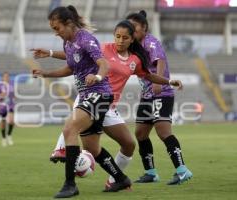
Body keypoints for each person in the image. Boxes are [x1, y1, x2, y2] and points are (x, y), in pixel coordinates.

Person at [31, 20, 183, 190]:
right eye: (117, 36)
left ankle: (114, 179)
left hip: (109, 107)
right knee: (76, 130)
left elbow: (149, 76)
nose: (120, 40)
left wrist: (169, 81)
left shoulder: (135, 60)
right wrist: (51, 53)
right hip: (92, 97)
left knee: (129, 144)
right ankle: (61, 150)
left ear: (132, 39)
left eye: (125, 37)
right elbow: (75, 54)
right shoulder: (103, 48)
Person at [32, 5, 132, 198]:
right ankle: (120, 179)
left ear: (68, 23)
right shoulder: (68, 43)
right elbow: (72, 68)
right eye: (53, 29)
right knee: (92, 148)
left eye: (57, 28)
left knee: (70, 128)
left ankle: (70, 184)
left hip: (99, 94)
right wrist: (47, 73)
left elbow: (104, 63)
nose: (56, 33)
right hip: (88, 96)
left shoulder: (86, 38)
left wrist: (98, 77)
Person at [126, 10, 192, 185]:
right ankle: (151, 173)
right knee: (140, 133)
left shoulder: (150, 41)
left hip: (161, 93)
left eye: (134, 27)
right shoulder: (133, 46)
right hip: (146, 96)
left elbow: (160, 60)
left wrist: (159, 82)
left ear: (144, 28)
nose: (131, 31)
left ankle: (182, 170)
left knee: (163, 132)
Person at [0, 72, 15, 147]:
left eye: (8, 76)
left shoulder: (11, 84)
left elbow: (14, 94)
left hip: (10, 105)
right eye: (5, 76)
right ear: (2, 78)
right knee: (3, 122)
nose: (7, 78)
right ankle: (3, 138)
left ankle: (9, 135)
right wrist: (1, 95)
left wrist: (14, 96)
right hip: (2, 106)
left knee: (11, 121)